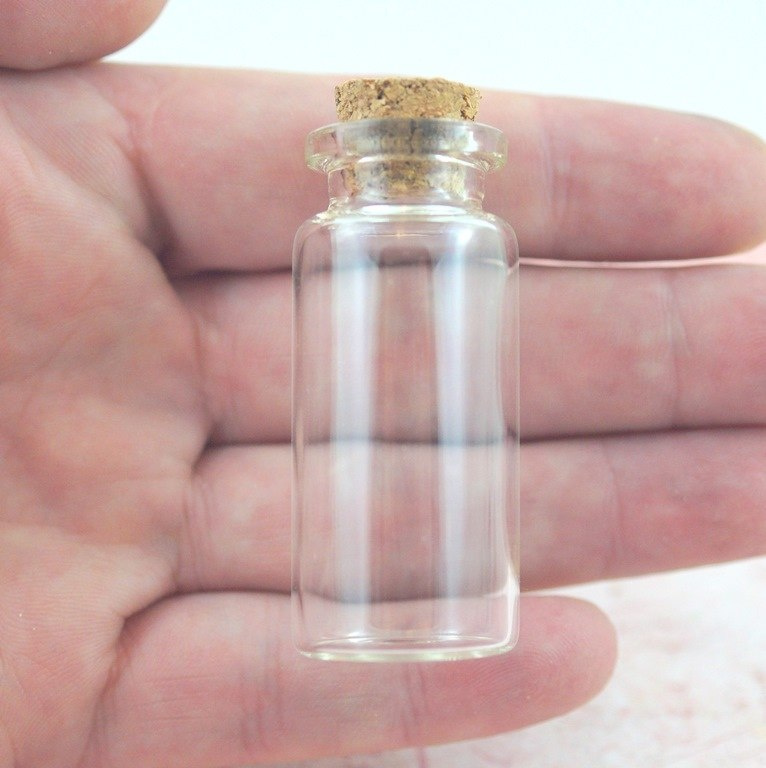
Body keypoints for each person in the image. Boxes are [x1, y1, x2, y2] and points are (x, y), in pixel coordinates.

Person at [1, 2, 765, 766]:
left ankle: (451, 616)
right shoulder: (330, 240)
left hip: (468, 614)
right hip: (336, 619)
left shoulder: (478, 240)